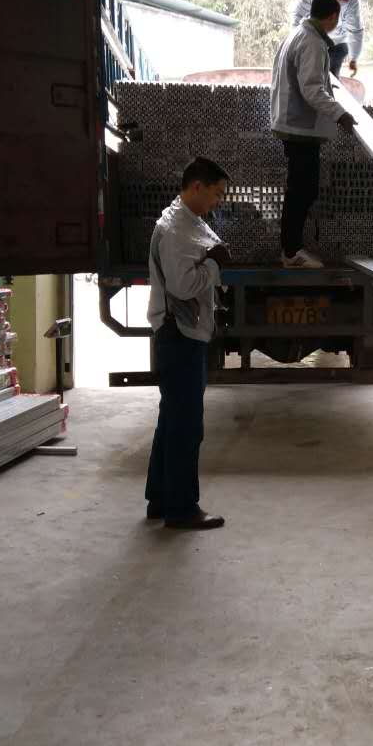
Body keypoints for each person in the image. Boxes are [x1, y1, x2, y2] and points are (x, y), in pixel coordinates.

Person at [145, 157, 232, 530]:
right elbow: (183, 286)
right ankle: (181, 509)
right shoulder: (177, 230)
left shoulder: (185, 219)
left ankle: (160, 499)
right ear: (197, 186)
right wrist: (213, 266)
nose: (218, 201)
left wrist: (214, 255)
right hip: (180, 335)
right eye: (216, 193)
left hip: (182, 332)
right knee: (186, 425)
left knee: (172, 418)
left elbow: (207, 245)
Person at [270, 0, 358, 270]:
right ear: (332, 16)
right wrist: (340, 114)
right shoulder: (312, 42)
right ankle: (291, 252)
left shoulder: (297, 35)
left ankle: (291, 249)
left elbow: (309, 82)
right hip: (300, 127)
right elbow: (311, 89)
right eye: (337, 18)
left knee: (301, 188)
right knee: (303, 190)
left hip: (294, 124)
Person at [290, 0, 363, 78]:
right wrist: (296, 45)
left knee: (330, 77)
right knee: (311, 73)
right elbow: (297, 16)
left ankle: (330, 84)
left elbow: (355, 29)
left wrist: (354, 58)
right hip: (313, 38)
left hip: (337, 43)